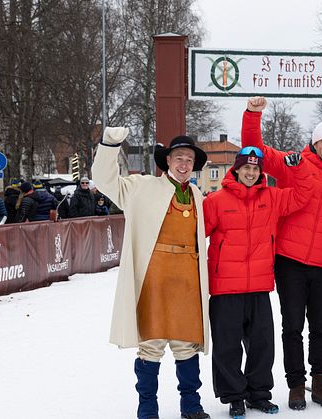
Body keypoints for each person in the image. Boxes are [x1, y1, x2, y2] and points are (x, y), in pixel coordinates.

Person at [92, 128, 212, 419]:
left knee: (187, 343)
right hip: (153, 278)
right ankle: (147, 408)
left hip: (187, 279)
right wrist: (109, 145)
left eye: (189, 159)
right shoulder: (142, 187)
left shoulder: (196, 193)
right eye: (178, 158)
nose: (183, 164)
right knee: (152, 343)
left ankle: (191, 406)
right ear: (167, 161)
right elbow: (104, 181)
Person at [242, 96, 322, 410]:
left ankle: (319, 381)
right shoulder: (294, 164)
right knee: (292, 326)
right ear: (314, 143)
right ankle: (295, 384)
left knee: (321, 326)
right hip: (289, 259)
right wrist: (253, 114)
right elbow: (256, 150)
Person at [203, 146, 314, 418]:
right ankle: (234, 397)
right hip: (225, 286)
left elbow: (302, 195)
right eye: (246, 168)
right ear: (237, 170)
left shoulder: (272, 198)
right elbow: (197, 235)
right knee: (227, 346)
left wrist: (298, 168)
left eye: (255, 169)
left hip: (259, 285)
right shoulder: (216, 201)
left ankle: (258, 394)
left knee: (262, 344)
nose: (251, 173)